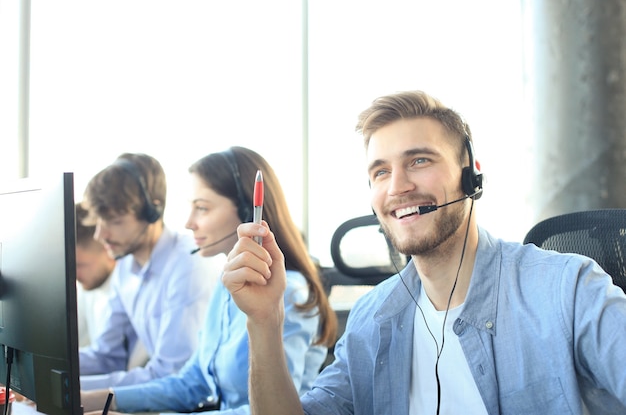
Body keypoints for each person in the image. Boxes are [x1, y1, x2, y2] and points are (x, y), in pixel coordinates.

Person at [222, 90, 626, 414]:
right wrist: (264, 321)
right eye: (380, 171)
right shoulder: (371, 321)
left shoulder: (567, 290)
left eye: (418, 160)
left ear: (470, 174)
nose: (397, 186)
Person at [80, 146, 337, 414]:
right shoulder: (227, 286)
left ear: (249, 211)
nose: (189, 223)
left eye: (201, 208)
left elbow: (277, 408)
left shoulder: (288, 294)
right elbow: (193, 383)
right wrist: (99, 398)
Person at [79, 152, 220, 390]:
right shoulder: (125, 266)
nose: (100, 235)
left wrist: (71, 389)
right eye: (99, 221)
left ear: (152, 213)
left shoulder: (187, 265)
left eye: (114, 221)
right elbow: (107, 356)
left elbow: (170, 375)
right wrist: (50, 370)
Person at [75, 202, 117, 347]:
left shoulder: (125, 294)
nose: (75, 276)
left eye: (79, 265)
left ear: (108, 251)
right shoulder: (87, 287)